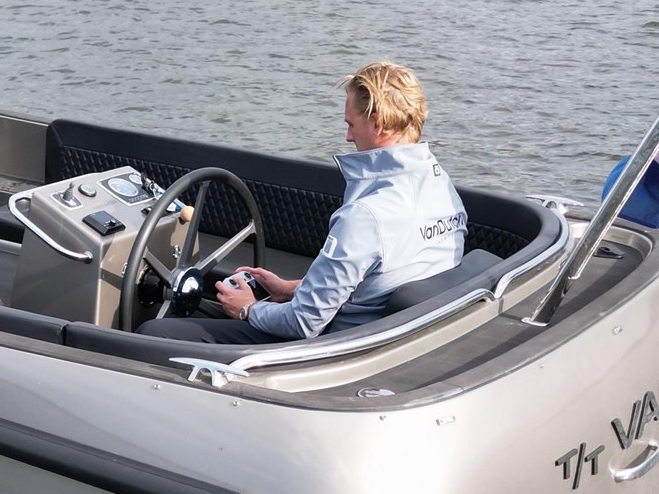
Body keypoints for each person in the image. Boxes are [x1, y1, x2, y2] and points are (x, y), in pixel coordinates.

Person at [139, 61, 468, 344]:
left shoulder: (366, 216)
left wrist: (248, 309)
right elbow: (377, 282)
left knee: (154, 332)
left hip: (331, 350)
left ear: (377, 125)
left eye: (351, 124)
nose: (348, 137)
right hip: (391, 335)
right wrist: (292, 289)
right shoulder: (441, 188)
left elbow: (303, 324)